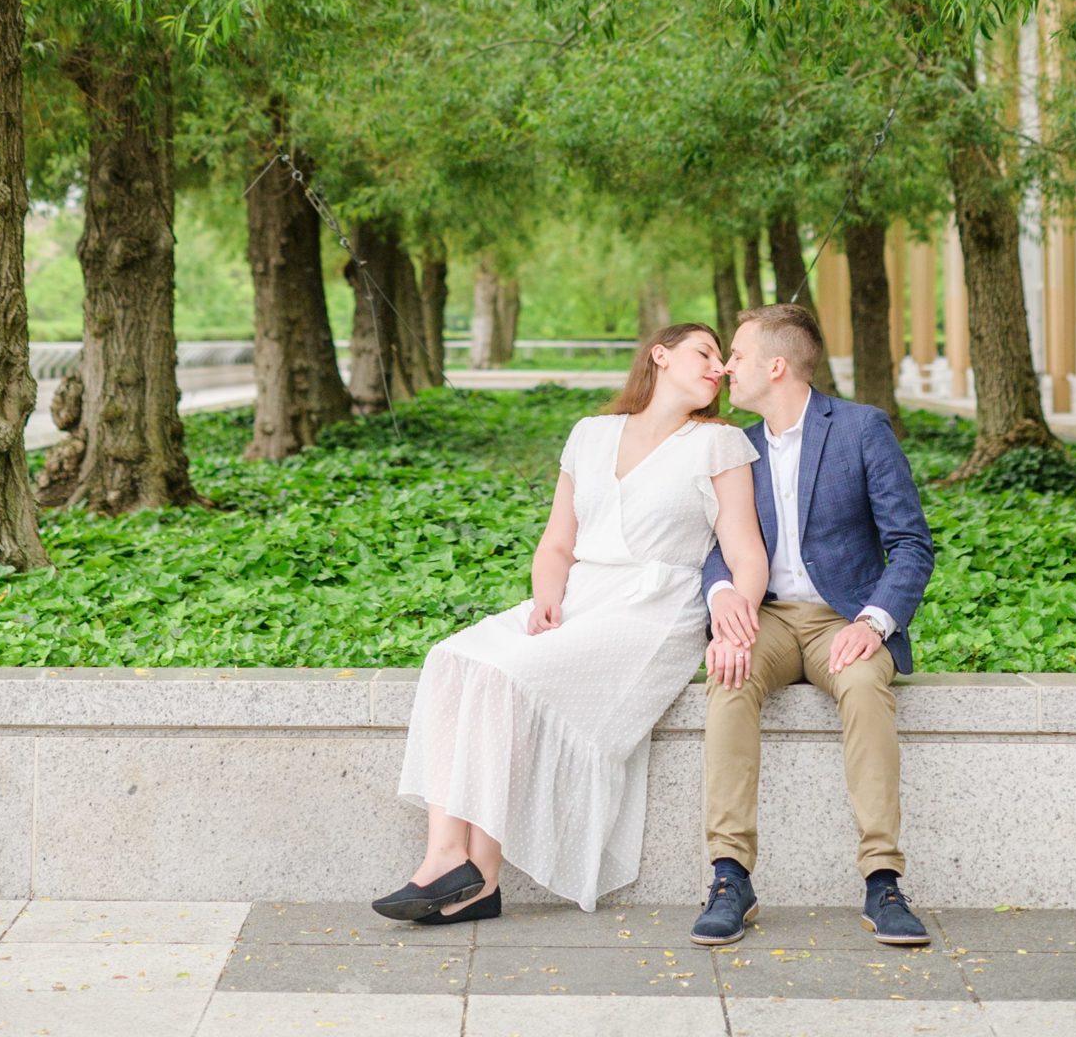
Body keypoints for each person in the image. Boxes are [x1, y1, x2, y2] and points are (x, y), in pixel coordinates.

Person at [375, 321, 769, 920]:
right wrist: (546, 598)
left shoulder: (719, 443)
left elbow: (745, 552)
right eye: (704, 351)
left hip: (653, 609)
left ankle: (474, 877)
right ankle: (449, 858)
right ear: (659, 356)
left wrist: (737, 617)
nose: (718, 365)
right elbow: (558, 541)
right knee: (453, 658)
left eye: (723, 357)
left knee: (505, 675)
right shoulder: (591, 434)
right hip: (582, 592)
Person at [694, 302, 936, 951]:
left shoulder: (860, 430)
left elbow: (910, 545)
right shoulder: (732, 446)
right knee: (728, 681)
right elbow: (716, 545)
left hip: (842, 620)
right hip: (765, 617)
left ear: (776, 366)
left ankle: (882, 880)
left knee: (862, 688)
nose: (725, 369)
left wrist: (874, 621)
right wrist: (721, 596)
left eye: (736, 357)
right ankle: (728, 876)